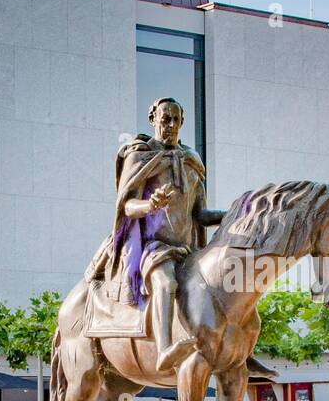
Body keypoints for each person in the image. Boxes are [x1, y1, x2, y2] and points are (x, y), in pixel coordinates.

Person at [85, 98, 226, 372]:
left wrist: (231, 215)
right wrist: (150, 205)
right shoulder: (140, 155)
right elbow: (126, 205)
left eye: (176, 119)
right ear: (153, 120)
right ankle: (164, 350)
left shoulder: (191, 162)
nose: (171, 125)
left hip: (187, 251)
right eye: (165, 119)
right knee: (165, 283)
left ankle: (232, 351)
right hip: (153, 247)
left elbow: (200, 215)